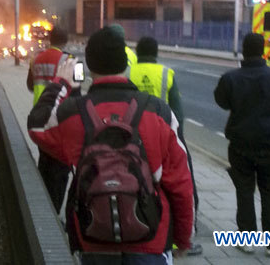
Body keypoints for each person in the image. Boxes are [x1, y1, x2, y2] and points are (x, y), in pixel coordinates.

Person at [28, 26, 194, 264]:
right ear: (126, 64)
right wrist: (183, 238)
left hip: (93, 238)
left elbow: (37, 126)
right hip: (151, 242)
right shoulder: (159, 113)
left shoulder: (73, 113)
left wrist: (61, 83)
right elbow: (181, 185)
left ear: (89, 68)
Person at [214, 32, 270, 258]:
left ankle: (247, 240)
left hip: (240, 144)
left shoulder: (230, 78)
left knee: (244, 191)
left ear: (243, 52)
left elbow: (221, 101)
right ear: (263, 51)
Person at [129, 36, 202, 256]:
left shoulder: (129, 72)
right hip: (163, 133)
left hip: (134, 134)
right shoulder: (165, 73)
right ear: (156, 52)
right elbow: (178, 113)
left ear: (138, 52)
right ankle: (186, 236)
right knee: (183, 185)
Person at [26, 26, 72, 213]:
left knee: (44, 161)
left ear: (49, 39)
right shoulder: (70, 61)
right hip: (61, 119)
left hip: (39, 117)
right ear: (66, 41)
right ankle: (54, 211)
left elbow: (30, 86)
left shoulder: (36, 59)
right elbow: (77, 93)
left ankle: (43, 205)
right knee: (60, 168)